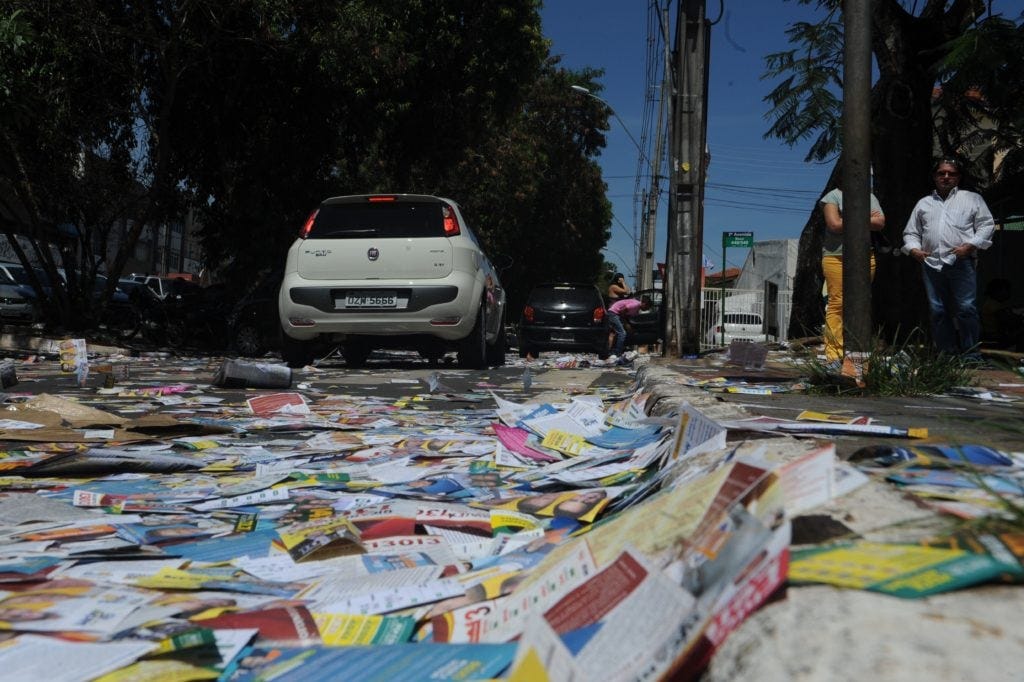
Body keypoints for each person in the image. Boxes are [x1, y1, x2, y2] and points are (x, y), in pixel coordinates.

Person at [902, 157, 995, 358]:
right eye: (941, 173)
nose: (946, 177)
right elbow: (911, 232)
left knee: (966, 308)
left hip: (961, 262)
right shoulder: (924, 203)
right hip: (931, 264)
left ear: (958, 177)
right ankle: (947, 354)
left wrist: (971, 245)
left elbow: (987, 225)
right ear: (934, 177)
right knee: (938, 311)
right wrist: (914, 249)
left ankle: (971, 355)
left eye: (951, 173)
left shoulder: (972, 199)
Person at [819, 186, 885, 366]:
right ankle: (834, 354)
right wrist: (865, 218)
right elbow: (834, 225)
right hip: (836, 256)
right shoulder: (833, 196)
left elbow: (880, 222)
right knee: (837, 302)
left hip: (864, 255)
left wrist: (846, 219)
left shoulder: (869, 196)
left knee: (861, 302)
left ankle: (858, 351)